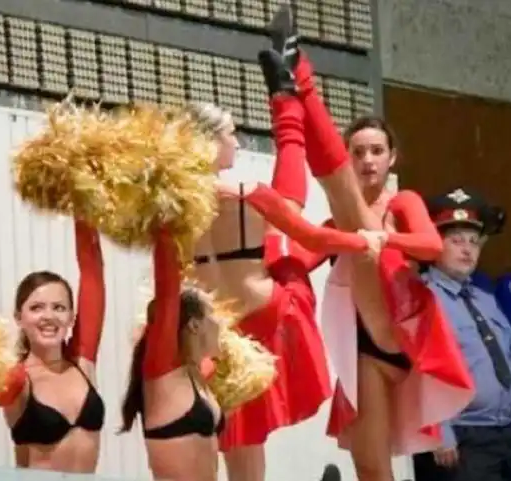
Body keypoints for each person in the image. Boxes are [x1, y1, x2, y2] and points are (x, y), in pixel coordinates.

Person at [251, 5, 475, 481]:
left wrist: (384, 237)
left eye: (377, 151)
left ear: (393, 158)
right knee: (372, 470)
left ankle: (297, 82)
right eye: (358, 152)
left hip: (402, 335)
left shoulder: (403, 202)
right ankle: (294, 81)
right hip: (366, 351)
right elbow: (303, 255)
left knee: (349, 214)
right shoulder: (341, 220)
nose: (368, 160)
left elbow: (431, 247)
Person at [191, 70, 334, 481]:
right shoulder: (243, 195)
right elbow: (298, 221)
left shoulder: (171, 203)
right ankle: (285, 100)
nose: (237, 142)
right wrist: (349, 241)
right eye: (231, 134)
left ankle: (285, 100)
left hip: (214, 332)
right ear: (209, 141)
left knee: (235, 446)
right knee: (287, 242)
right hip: (268, 315)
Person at [119, 102, 237, 481]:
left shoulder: (197, 372)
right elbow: (168, 284)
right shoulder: (162, 369)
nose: (222, 322)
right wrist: (170, 203)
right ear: (193, 325)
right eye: (214, 315)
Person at [413, 187, 511, 481]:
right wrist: (439, 429)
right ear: (434, 245)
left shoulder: (485, 299)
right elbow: (416, 366)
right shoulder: (422, 296)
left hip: (507, 433)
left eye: (474, 242)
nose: (467, 250)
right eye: (456, 241)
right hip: (463, 439)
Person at [0, 220, 106, 473]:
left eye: (59, 307)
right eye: (36, 308)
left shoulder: (82, 364)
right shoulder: (17, 379)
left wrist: (83, 208)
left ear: (72, 317)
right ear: (19, 318)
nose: (49, 316)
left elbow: (93, 274)